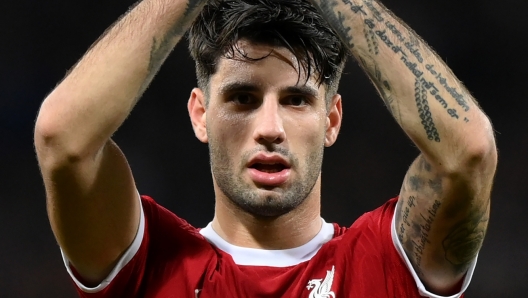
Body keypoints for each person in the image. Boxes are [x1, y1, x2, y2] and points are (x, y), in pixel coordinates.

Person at [34, 0, 497, 297]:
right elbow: (63, 138)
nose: (270, 129)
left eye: (296, 100)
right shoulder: (149, 263)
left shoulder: (384, 264)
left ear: (331, 120)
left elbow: (469, 152)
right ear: (200, 114)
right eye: (242, 99)